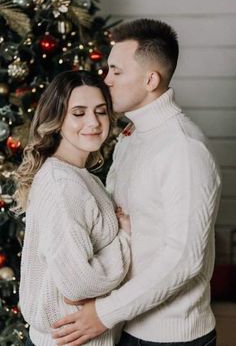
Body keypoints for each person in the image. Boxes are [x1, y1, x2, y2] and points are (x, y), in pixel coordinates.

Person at [52, 19, 222, 346]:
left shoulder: (184, 149)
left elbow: (185, 259)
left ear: (150, 79)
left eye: (116, 71)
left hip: (172, 338)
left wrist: (103, 313)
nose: (106, 79)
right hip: (127, 328)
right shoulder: (132, 137)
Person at [15, 70, 131, 346]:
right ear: (57, 120)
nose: (93, 122)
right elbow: (78, 285)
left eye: (101, 111)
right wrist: (125, 238)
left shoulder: (81, 175)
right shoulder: (62, 184)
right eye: (78, 113)